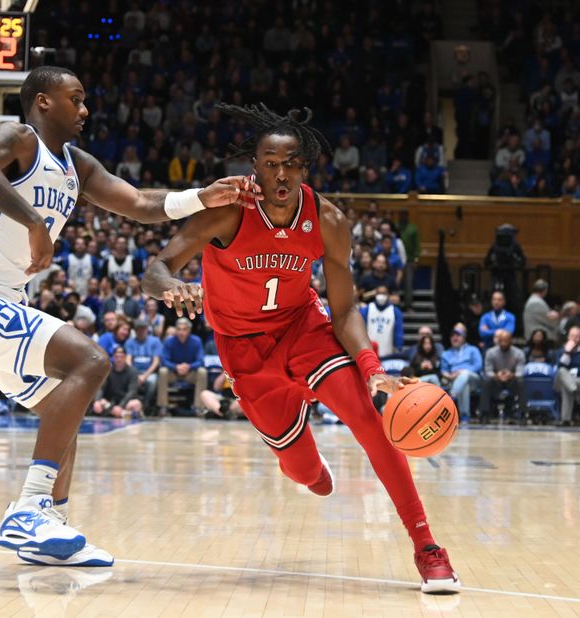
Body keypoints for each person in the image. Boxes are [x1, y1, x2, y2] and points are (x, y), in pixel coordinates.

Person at [0, 66, 254, 568]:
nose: (85, 110)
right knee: (91, 360)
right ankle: (30, 508)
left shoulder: (75, 165)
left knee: (64, 410)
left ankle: (49, 527)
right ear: (42, 102)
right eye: (75, 99)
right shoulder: (19, 139)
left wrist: (201, 196)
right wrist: (34, 220)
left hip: (2, 303)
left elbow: (140, 203)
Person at [143, 102, 460, 593]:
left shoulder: (327, 219)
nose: (280, 174)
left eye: (290, 164)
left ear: (305, 167)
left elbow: (347, 307)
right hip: (244, 352)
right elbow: (156, 267)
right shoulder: (227, 211)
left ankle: (428, 549)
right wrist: (171, 288)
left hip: (304, 331)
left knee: (370, 421)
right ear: (256, 167)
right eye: (270, 164)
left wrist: (373, 369)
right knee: (307, 474)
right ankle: (306, 466)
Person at [156, 317, 207, 415]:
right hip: (174, 373)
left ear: (189, 330)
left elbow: (201, 361)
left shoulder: (197, 341)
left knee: (202, 372)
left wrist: (189, 366)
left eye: (184, 329)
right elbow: (164, 360)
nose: (181, 332)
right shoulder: (169, 341)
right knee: (163, 371)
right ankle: (163, 406)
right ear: (176, 330)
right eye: (179, 329)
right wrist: (176, 367)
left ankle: (199, 407)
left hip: (190, 373)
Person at [479, 330, 526, 422]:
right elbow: (488, 370)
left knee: (521, 381)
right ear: (498, 341)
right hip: (496, 380)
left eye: (506, 341)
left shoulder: (519, 353)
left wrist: (511, 375)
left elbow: (520, 371)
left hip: (512, 380)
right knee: (486, 380)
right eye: (501, 341)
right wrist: (496, 375)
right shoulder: (490, 352)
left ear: (511, 341)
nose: (503, 343)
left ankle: (523, 414)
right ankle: (484, 413)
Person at [440, 323, 483, 422]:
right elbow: (443, 370)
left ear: (464, 337)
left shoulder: (473, 350)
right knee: (464, 385)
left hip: (473, 379)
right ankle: (464, 416)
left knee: (464, 375)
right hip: (454, 380)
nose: (455, 338)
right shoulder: (446, 354)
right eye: (452, 336)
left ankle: (451, 397)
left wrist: (461, 371)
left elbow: (478, 366)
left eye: (458, 335)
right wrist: (449, 376)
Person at [90, 346, 142, 418]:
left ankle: (118, 413)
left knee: (136, 404)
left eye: (121, 357)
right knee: (99, 403)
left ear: (125, 357)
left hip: (125, 402)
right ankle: (122, 414)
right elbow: (100, 388)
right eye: (117, 357)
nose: (119, 359)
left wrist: (120, 406)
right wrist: (97, 400)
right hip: (109, 402)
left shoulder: (132, 372)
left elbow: (132, 392)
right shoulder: (108, 370)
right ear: (113, 357)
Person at [124, 318, 161, 410]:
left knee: (153, 381)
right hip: (134, 372)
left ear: (147, 329)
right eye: (138, 329)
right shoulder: (130, 342)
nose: (140, 331)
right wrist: (135, 375)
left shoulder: (155, 341)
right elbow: (128, 360)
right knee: (130, 380)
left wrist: (145, 375)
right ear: (135, 330)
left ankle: (146, 405)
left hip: (149, 373)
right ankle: (131, 404)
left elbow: (156, 361)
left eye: (143, 328)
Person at [359, 285, 404, 357]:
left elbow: (398, 332)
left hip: (388, 352)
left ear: (388, 295)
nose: (381, 296)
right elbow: (360, 330)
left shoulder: (395, 311)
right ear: (375, 294)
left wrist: (399, 347)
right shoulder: (366, 309)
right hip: (370, 353)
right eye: (379, 293)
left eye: (384, 293)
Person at [554, 325, 580, 426]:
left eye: (577, 336)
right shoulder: (561, 351)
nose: (574, 339)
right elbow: (558, 367)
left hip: (577, 380)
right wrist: (567, 352)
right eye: (572, 336)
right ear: (568, 337)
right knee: (562, 370)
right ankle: (575, 391)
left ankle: (566, 420)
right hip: (561, 381)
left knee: (567, 388)